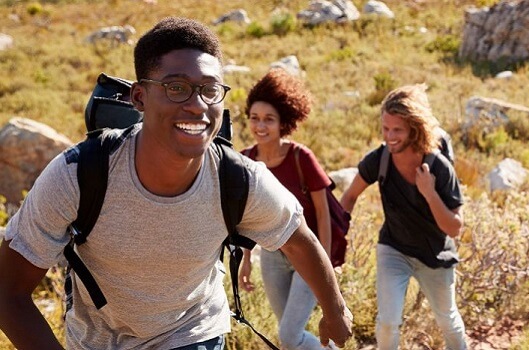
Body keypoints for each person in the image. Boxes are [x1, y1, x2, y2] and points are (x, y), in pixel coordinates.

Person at [0, 17, 352, 350]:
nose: (198, 106)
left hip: (193, 332)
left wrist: (335, 311)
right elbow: (8, 292)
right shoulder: (78, 175)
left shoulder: (239, 179)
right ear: (139, 97)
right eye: (177, 88)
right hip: (100, 341)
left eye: (210, 89)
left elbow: (298, 239)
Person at [339, 83, 467, 350]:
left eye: (397, 130)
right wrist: (335, 237)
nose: (389, 136)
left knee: (448, 321)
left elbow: (455, 228)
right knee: (387, 323)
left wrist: (430, 193)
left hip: (435, 254)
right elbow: (349, 197)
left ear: (414, 129)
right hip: (394, 248)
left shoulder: (438, 167)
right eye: (385, 129)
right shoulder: (380, 159)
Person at [238, 68, 336, 349]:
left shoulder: (300, 157)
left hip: (308, 253)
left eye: (269, 119)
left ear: (283, 122)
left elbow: (323, 212)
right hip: (271, 256)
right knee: (290, 335)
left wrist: (324, 263)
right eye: (255, 118)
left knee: (289, 337)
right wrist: (246, 258)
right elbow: (246, 217)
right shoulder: (244, 160)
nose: (260, 126)